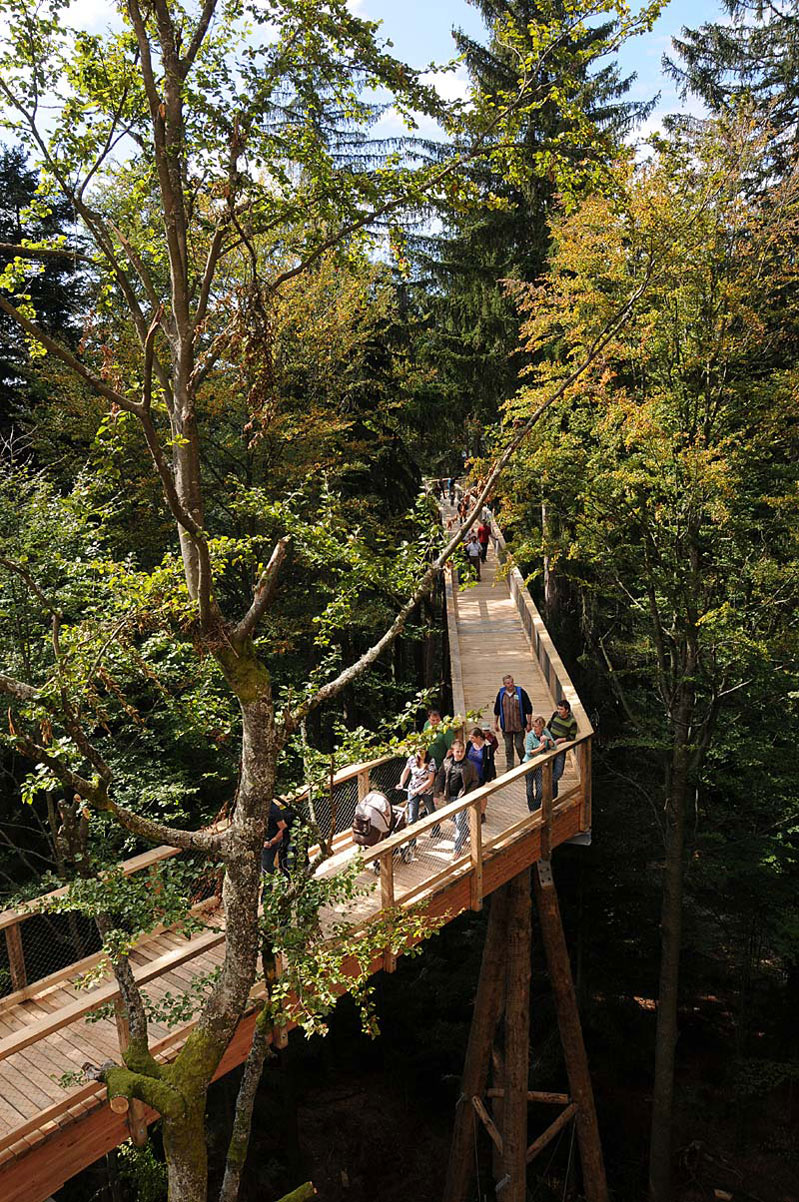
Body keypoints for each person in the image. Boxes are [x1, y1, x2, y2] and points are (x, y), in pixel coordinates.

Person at [435, 739, 478, 859]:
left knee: (459, 823)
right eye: (457, 751)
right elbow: (440, 777)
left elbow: (475, 781)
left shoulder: (469, 765)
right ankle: (466, 831)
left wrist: (467, 795)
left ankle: (457, 849)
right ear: (452, 752)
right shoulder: (447, 763)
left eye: (462, 751)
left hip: (461, 798)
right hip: (449, 796)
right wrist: (436, 793)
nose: (460, 754)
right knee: (452, 818)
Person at [396, 748, 437, 860]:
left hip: (426, 790)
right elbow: (406, 771)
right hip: (413, 790)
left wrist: (419, 789)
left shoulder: (431, 761)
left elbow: (430, 780)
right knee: (412, 817)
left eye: (422, 751)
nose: (420, 753)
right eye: (418, 751)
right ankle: (412, 843)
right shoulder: (412, 759)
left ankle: (436, 827)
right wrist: (401, 783)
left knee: (431, 810)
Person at [493, 674, 533, 769]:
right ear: (504, 684)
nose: (510, 684)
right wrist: (495, 723)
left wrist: (528, 723)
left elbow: (529, 708)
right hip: (506, 726)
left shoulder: (520, 692)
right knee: (508, 747)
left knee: (519, 745)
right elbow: (497, 710)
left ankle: (524, 762)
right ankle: (510, 766)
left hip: (519, 725)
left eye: (511, 682)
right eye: (508, 683)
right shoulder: (501, 694)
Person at [523, 715, 556, 811]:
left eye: (537, 727)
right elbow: (528, 751)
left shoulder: (545, 732)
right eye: (534, 726)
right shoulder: (530, 735)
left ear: (542, 727)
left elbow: (554, 747)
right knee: (529, 788)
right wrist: (539, 748)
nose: (535, 729)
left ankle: (536, 807)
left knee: (540, 789)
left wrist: (548, 740)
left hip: (540, 764)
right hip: (529, 763)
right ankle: (532, 809)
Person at [548, 698, 578, 798]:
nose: (559, 711)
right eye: (558, 709)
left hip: (561, 748)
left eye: (561, 709)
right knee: (550, 769)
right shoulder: (555, 715)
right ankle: (553, 796)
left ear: (567, 710)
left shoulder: (572, 722)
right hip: (550, 745)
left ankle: (550, 788)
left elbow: (572, 737)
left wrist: (561, 740)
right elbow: (549, 726)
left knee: (558, 772)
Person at [262, 801, 290, 879]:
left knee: (267, 866)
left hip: (271, 840)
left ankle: (273, 885)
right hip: (260, 840)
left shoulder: (273, 809)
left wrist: (271, 842)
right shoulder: (256, 808)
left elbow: (283, 828)